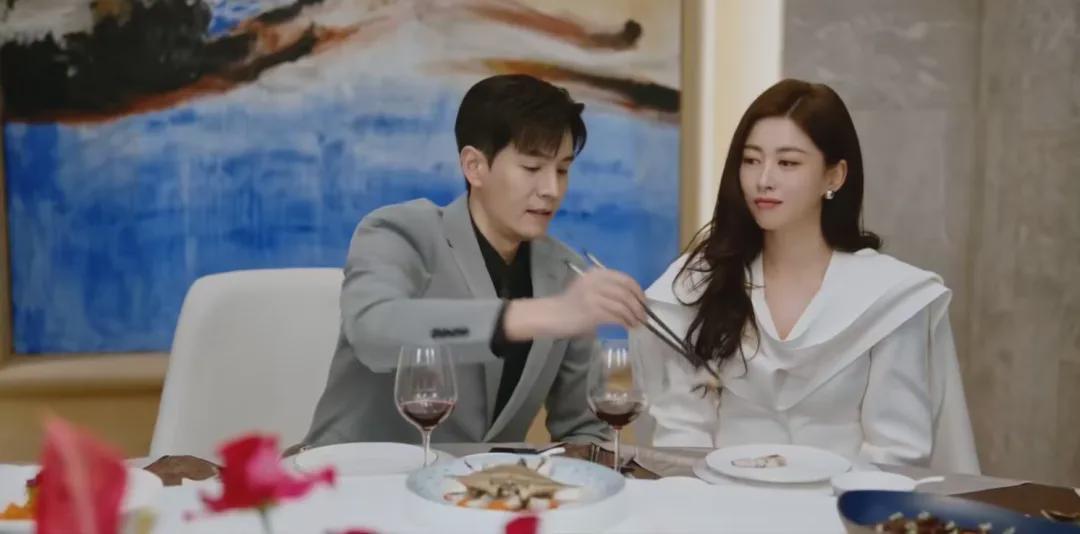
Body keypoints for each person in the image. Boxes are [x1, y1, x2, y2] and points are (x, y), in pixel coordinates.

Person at [631, 79, 979, 473]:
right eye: (751, 160)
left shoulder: (889, 298)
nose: (764, 179)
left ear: (834, 176)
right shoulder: (695, 286)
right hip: (719, 501)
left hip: (846, 506)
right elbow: (681, 435)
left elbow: (896, 451)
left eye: (788, 163)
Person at [305, 74, 647, 447]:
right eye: (532, 168)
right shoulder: (399, 232)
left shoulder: (565, 272)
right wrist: (534, 316)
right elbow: (373, 331)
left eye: (562, 170)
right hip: (357, 474)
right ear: (474, 166)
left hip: (483, 483)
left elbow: (585, 429)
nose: (552, 190)